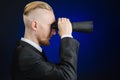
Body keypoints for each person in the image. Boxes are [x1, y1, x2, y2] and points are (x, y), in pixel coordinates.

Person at [11, 1, 80, 80]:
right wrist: (66, 36)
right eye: (51, 26)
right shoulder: (26, 57)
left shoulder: (28, 51)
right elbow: (67, 77)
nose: (54, 32)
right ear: (35, 25)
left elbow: (55, 72)